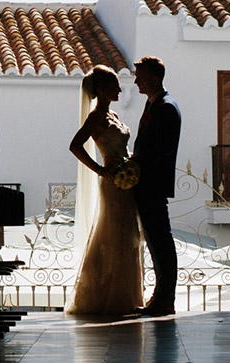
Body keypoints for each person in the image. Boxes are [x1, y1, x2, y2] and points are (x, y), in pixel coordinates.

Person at [64, 65, 143, 316]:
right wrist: (100, 169)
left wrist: (130, 162)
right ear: (101, 89)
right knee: (114, 233)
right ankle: (108, 296)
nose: (120, 89)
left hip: (125, 180)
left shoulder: (114, 116)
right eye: (114, 85)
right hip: (111, 182)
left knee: (127, 232)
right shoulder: (96, 117)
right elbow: (75, 146)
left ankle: (126, 295)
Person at [130, 56, 182, 316]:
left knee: (161, 241)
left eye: (140, 75)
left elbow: (161, 150)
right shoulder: (153, 105)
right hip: (145, 184)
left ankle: (165, 298)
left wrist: (136, 166)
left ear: (154, 77)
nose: (136, 80)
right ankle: (160, 298)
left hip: (153, 184)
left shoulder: (166, 107)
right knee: (154, 241)